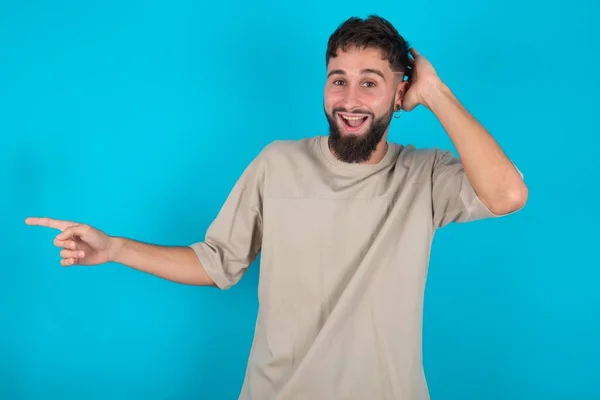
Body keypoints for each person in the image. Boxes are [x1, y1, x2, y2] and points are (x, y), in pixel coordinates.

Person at [26, 15, 527, 400]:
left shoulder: (424, 174)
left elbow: (507, 195)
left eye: (370, 82)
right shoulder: (277, 162)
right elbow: (217, 262)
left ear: (400, 93)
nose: (350, 99)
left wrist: (436, 92)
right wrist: (114, 248)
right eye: (338, 79)